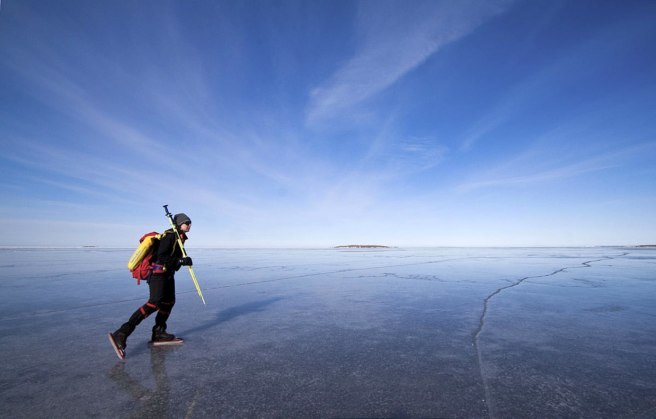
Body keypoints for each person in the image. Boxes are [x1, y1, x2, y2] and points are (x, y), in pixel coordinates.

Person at [109, 213, 193, 359]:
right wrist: (179, 261)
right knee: (154, 303)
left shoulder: (181, 238)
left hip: (168, 275)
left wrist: (182, 261)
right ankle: (121, 333)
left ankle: (159, 332)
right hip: (158, 275)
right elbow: (161, 256)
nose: (189, 225)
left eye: (190, 222)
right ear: (179, 224)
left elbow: (174, 263)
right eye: (187, 222)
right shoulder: (169, 236)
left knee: (169, 302)